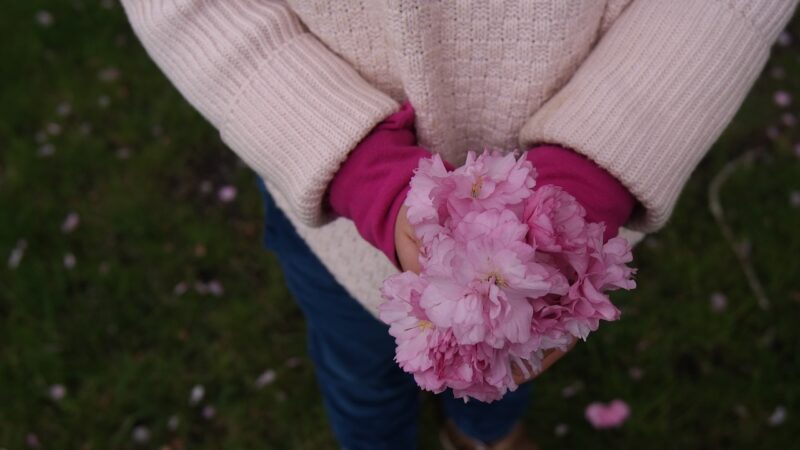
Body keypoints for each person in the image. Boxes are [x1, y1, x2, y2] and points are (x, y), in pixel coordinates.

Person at [121, 1, 797, 448]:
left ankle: (487, 431)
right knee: (360, 366)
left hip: (577, 191)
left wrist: (588, 185)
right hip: (340, 206)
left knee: (506, 359)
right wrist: (364, 172)